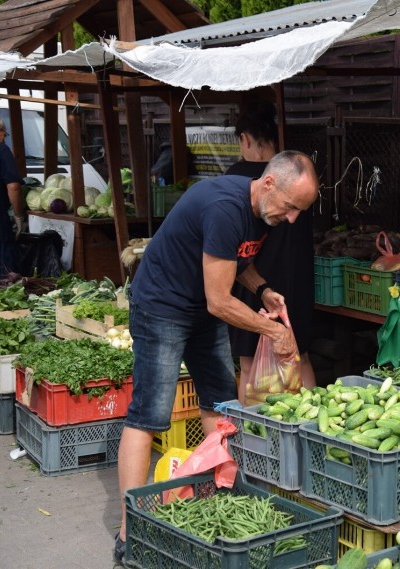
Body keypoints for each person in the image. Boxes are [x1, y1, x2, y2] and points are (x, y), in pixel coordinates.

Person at [113, 151, 319, 566]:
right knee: (149, 415)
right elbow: (219, 300)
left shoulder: (261, 212)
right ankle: (129, 528)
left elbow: (235, 261)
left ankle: (214, 497)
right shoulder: (225, 208)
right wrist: (273, 330)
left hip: (201, 308)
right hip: (162, 306)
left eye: (300, 211)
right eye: (291, 207)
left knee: (219, 402)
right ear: (268, 185)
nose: (292, 218)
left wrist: (261, 289)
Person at [227, 102, 316, 394]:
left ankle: (250, 436)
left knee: (250, 365)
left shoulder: (239, 178)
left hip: (251, 281)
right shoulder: (298, 180)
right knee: (300, 359)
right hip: (293, 282)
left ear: (246, 139)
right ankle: (307, 429)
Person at [0, 116, 24, 280]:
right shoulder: (1, 150)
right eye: (5, 134)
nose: (4, 138)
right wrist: (18, 216)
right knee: (5, 278)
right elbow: (13, 186)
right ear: (0, 132)